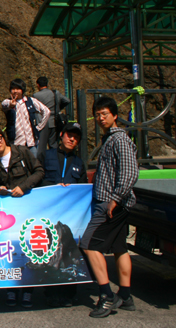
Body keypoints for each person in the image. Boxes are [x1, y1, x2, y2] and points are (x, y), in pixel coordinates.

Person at [80, 97, 138, 318]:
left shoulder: (119, 139)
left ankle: (106, 296)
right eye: (97, 114)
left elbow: (130, 172)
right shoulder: (109, 139)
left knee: (88, 244)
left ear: (115, 115)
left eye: (104, 114)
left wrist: (115, 198)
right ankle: (126, 295)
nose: (100, 118)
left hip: (111, 203)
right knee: (119, 247)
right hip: (114, 202)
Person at [0, 126, 44, 308]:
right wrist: (0, 189)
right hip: (8, 212)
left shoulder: (22, 152)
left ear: (4, 138)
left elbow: (39, 171)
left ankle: (28, 291)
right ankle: (11, 289)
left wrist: (24, 187)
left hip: (28, 208)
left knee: (29, 248)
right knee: (11, 250)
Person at [37, 122, 87, 308]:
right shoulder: (46, 155)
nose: (72, 139)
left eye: (76, 137)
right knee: (50, 253)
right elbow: (37, 179)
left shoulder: (79, 163)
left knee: (69, 254)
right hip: (49, 215)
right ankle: (50, 293)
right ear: (61, 135)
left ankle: (69, 294)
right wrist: (52, 187)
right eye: (69, 135)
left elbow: (83, 190)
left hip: (71, 219)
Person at [1, 79, 50, 158]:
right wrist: (11, 104)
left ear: (22, 89)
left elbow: (46, 111)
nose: (15, 91)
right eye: (13, 89)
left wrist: (39, 127)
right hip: (16, 142)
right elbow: (4, 104)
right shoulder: (8, 101)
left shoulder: (31, 101)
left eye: (18, 89)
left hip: (31, 142)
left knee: (33, 162)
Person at [33, 76, 70, 151]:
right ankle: (54, 157)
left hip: (42, 123)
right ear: (47, 84)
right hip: (54, 121)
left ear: (38, 85)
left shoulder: (36, 96)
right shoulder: (55, 93)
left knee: (41, 145)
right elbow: (67, 101)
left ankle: (43, 158)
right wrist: (58, 108)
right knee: (53, 144)